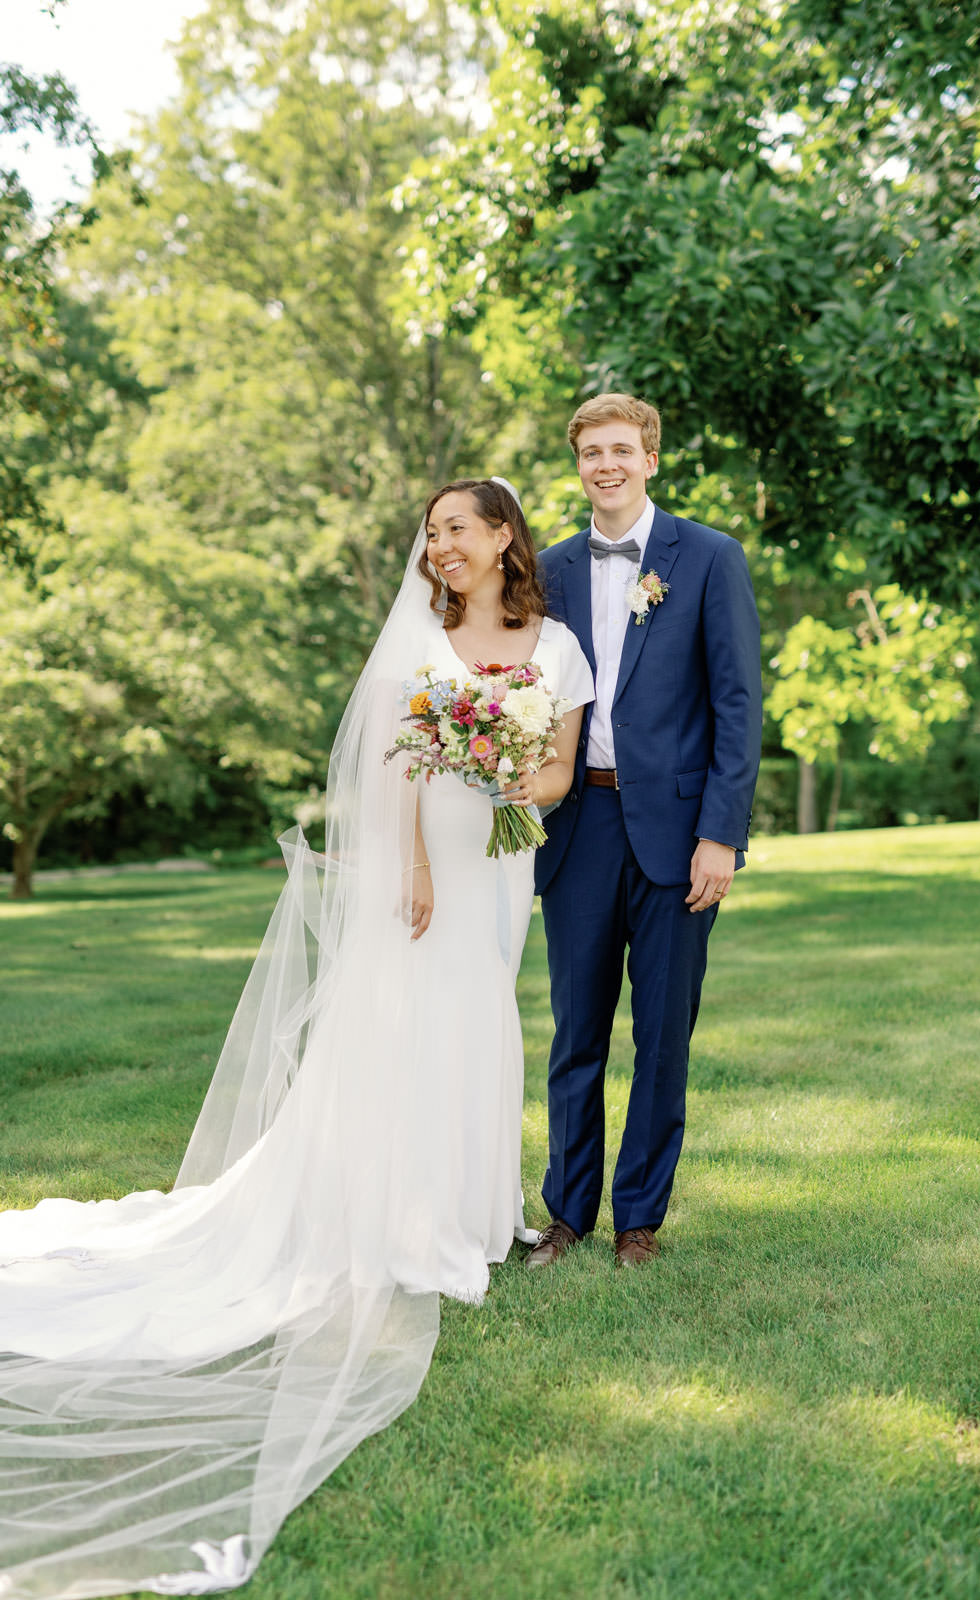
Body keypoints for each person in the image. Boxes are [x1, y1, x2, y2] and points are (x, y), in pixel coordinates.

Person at [0, 479, 593, 1600]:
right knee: (405, 1021)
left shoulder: (554, 642)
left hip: (505, 859)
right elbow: (396, 766)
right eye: (432, 534)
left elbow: (558, 764)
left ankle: (470, 1210)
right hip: (427, 868)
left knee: (478, 1018)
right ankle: (388, 1209)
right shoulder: (420, 633)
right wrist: (412, 867)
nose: (442, 547)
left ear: (504, 534)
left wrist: (523, 780)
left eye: (458, 529)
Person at [529, 395, 762, 1271]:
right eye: (592, 452)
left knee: (662, 1036)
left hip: (677, 834)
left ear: (650, 458)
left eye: (621, 449)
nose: (607, 465)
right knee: (574, 1033)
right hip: (577, 825)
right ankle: (564, 1215)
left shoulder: (707, 558)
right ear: (579, 464)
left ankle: (638, 1222)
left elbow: (738, 706)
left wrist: (720, 837)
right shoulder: (546, 571)